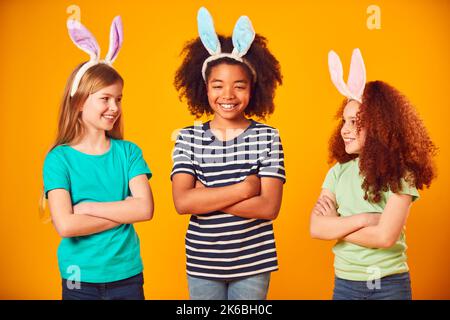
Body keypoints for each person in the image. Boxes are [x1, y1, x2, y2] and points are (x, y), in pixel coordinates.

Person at [171, 7, 285, 300]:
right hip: (202, 264)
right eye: (218, 85)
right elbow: (183, 202)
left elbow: (269, 207)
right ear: (204, 88)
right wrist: (245, 189)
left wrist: (206, 197)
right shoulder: (188, 137)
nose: (228, 95)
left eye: (239, 86)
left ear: (253, 89)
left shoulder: (267, 137)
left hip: (254, 264)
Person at [310, 48, 437, 300]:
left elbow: (385, 237)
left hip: (389, 284)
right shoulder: (337, 172)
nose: (345, 129)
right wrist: (366, 218)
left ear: (379, 126)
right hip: (345, 283)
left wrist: (336, 224)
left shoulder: (401, 174)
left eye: (355, 122)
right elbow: (316, 228)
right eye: (344, 121)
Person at [42, 16, 153, 300]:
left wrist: (89, 207)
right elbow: (66, 225)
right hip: (79, 278)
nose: (114, 107)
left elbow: (145, 210)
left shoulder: (129, 152)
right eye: (105, 98)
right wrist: (123, 211)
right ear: (79, 101)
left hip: (126, 276)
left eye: (119, 99)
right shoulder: (58, 159)